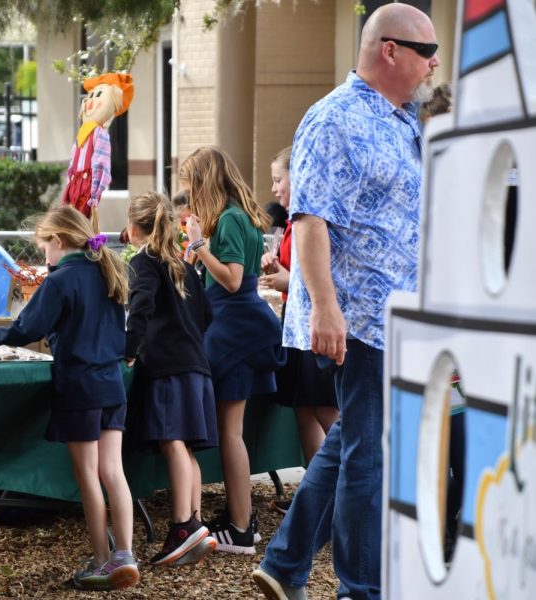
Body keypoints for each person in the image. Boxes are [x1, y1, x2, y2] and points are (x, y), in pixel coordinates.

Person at [252, 4, 439, 599]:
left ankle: (283, 564)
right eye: (426, 52)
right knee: (367, 460)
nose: (435, 64)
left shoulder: (403, 118)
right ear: (390, 50)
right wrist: (327, 308)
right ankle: (362, 590)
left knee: (351, 442)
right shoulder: (335, 120)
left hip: (399, 318)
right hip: (360, 317)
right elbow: (310, 222)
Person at [0, 206, 138, 591]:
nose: (43, 256)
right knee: (113, 471)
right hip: (113, 382)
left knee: (88, 476)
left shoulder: (62, 279)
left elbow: (25, 329)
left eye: (44, 246)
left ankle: (101, 560)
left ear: (59, 241)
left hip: (80, 385)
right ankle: (125, 553)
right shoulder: (107, 270)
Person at [180, 146, 286, 554]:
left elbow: (232, 279)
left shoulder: (226, 219)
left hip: (232, 329)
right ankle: (242, 518)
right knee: (232, 431)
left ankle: (240, 528)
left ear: (205, 181)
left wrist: (197, 246)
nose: (188, 195)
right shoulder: (240, 217)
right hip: (243, 327)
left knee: (229, 433)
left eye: (190, 185)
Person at [124, 191, 218, 566]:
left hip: (168, 367)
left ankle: (182, 526)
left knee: (173, 442)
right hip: (196, 364)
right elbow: (205, 314)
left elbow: (141, 307)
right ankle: (194, 522)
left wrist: (130, 349)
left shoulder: (144, 263)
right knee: (187, 447)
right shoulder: (183, 265)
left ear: (133, 229)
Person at [259, 146, 339, 515]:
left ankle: (343, 498)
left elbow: (324, 274)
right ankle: (316, 496)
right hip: (296, 326)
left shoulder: (316, 217)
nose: (274, 189)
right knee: (303, 411)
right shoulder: (292, 220)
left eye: (279, 179)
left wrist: (288, 279)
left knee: (326, 413)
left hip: (314, 328)